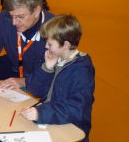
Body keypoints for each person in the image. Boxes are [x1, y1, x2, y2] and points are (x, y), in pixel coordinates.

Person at [20, 14, 95, 142]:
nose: (46, 47)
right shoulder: (55, 58)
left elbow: (77, 108)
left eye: (50, 44)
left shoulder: (82, 70)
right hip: (50, 120)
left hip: (70, 128)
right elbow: (34, 90)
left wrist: (42, 113)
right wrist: (47, 68)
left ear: (65, 44)